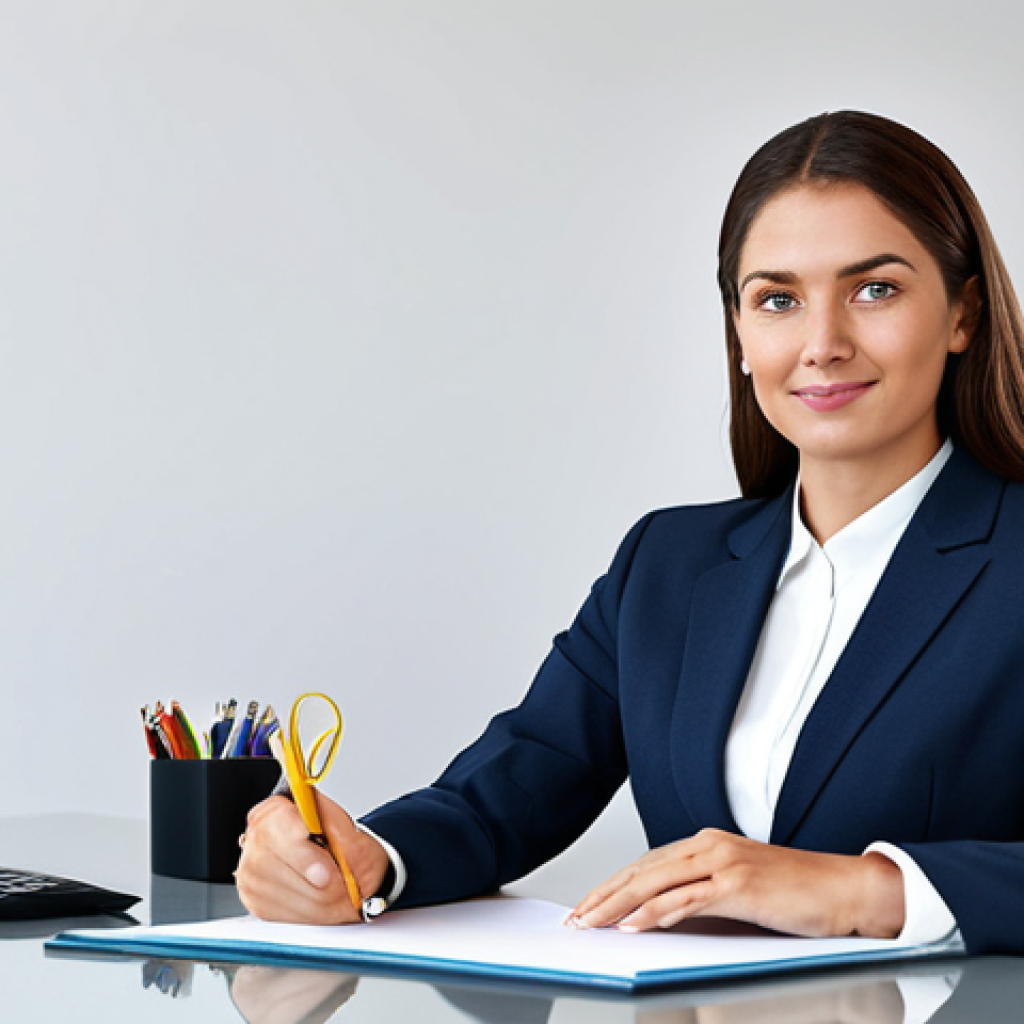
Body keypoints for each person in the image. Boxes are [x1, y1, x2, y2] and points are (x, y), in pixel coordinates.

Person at [236, 110, 1024, 956]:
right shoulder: (668, 568)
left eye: (875, 289)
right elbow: (500, 797)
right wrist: (367, 860)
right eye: (778, 300)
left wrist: (867, 889)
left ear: (962, 315)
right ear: (740, 331)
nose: (822, 343)